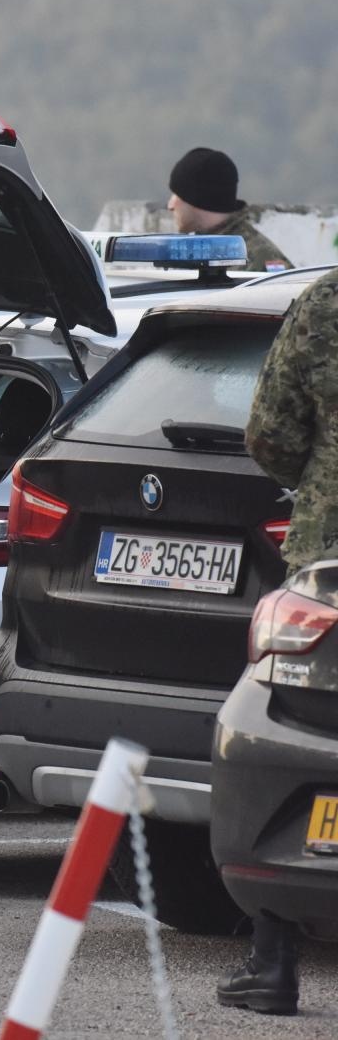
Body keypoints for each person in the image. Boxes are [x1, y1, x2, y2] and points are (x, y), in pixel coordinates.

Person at [224, 265, 338, 1014]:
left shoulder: (327, 303)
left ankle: (273, 964)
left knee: (299, 739)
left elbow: (269, 433)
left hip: (329, 563)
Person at [167, 147, 293, 272]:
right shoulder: (202, 251)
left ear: (196, 199)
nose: (170, 205)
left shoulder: (259, 262)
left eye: (176, 195)